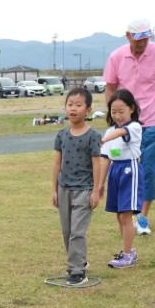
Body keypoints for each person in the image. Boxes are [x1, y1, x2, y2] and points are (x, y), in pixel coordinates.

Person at [103, 17, 155, 236]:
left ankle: (142, 216)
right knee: (123, 166)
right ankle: (127, 213)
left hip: (152, 120)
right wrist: (113, 116)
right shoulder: (116, 57)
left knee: (148, 169)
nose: (142, 43)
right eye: (137, 40)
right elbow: (110, 88)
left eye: (145, 39)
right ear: (128, 36)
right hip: (125, 122)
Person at [51, 87, 106, 284]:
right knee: (67, 231)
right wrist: (54, 189)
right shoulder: (61, 135)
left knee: (77, 231)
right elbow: (56, 163)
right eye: (70, 104)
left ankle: (77, 272)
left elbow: (97, 164)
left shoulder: (93, 136)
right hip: (64, 188)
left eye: (78, 105)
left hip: (84, 189)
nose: (73, 108)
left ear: (88, 110)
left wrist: (96, 191)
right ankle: (79, 261)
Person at [100, 88, 144, 268]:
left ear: (131, 109)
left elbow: (121, 132)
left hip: (129, 171)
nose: (117, 116)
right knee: (119, 216)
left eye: (121, 111)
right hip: (115, 171)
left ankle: (127, 255)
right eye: (113, 112)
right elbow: (105, 158)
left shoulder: (134, 127)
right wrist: (100, 184)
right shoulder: (109, 131)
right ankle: (129, 251)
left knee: (126, 215)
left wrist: (103, 139)